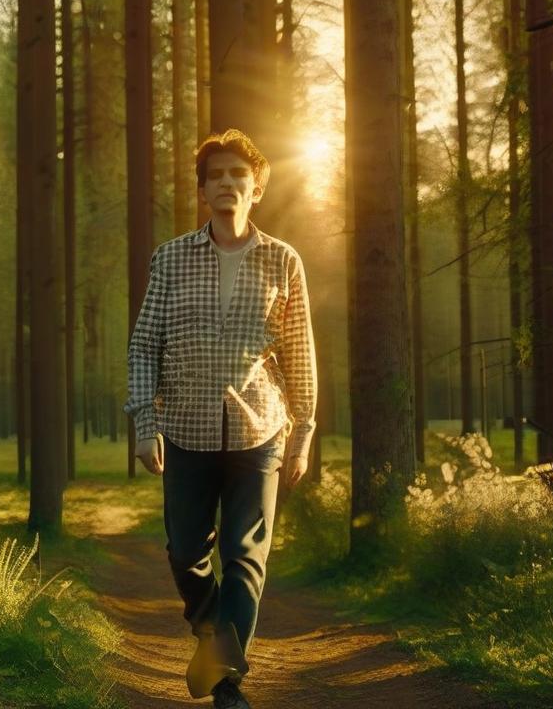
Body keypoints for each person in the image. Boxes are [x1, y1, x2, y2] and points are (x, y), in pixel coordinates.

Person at [124, 129, 317, 709]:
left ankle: (225, 681)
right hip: (184, 428)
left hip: (260, 431)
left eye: (240, 176)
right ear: (203, 190)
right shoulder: (171, 258)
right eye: (218, 177)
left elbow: (299, 353)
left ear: (256, 189)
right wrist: (143, 422)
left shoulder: (282, 260)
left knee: (245, 557)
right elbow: (144, 346)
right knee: (186, 553)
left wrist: (303, 433)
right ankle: (213, 642)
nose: (229, 184)